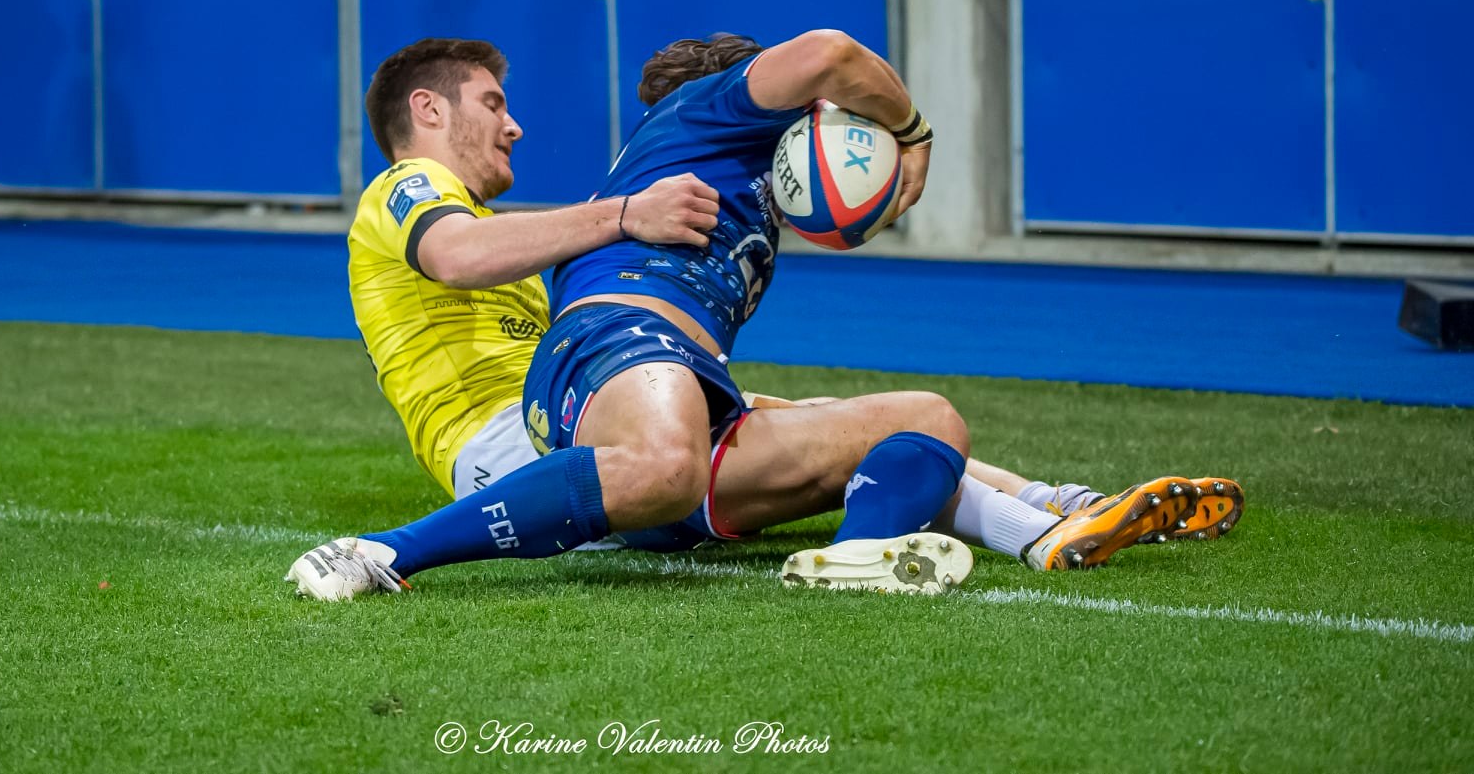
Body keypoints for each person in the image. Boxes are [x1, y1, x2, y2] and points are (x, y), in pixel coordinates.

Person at [289, 35, 1240, 600]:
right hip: (506, 442)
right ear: (427, 108)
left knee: (902, 420)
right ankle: (382, 553)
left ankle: (1045, 516)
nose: (514, 123)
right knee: (665, 458)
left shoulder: (529, 232)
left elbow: (541, 256)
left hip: (592, 402)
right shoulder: (408, 187)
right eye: (492, 103)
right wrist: (627, 213)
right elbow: (456, 256)